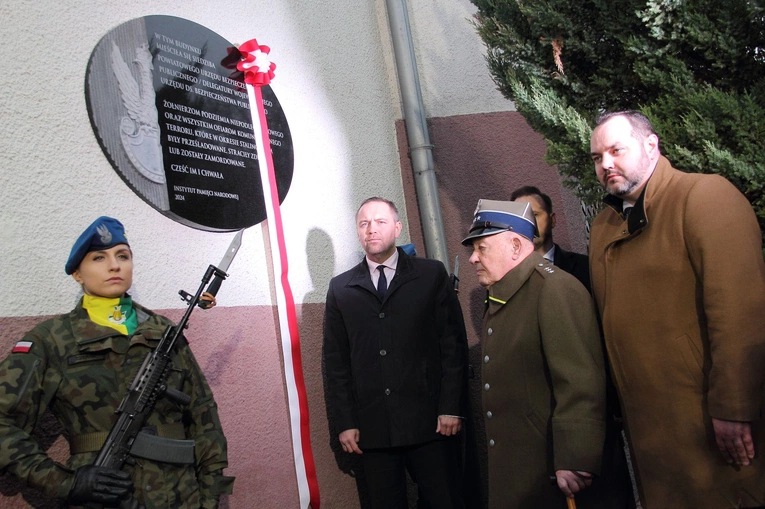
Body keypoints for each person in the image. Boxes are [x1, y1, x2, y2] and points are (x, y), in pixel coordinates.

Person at [588, 110, 765, 508]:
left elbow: (740, 314)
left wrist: (734, 408)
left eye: (616, 150)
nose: (606, 164)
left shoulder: (704, 196)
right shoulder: (603, 226)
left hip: (708, 424)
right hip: (651, 431)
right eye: (598, 157)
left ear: (651, 145)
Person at [0, 216, 234, 508]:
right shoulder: (52, 340)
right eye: (99, 258)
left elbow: (204, 418)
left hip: (180, 496)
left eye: (122, 256)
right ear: (77, 274)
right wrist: (65, 483)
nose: (114, 266)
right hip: (105, 498)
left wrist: (210, 499)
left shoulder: (164, 333)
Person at [323, 197, 468, 509]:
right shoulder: (341, 289)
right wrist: (344, 422)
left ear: (398, 228)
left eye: (380, 222)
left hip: (432, 424)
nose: (371, 230)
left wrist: (451, 407)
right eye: (364, 224)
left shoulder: (430, 275)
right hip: (372, 432)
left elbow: (452, 346)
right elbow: (335, 364)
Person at [462, 199, 606, 509]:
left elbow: (580, 381)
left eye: (482, 248)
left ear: (515, 245)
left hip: (551, 474)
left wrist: (576, 457)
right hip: (520, 470)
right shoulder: (503, 295)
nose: (473, 258)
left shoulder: (553, 290)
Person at [509, 186, 591, 292]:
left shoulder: (585, 266)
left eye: (534, 215)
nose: (528, 223)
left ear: (552, 220)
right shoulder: (504, 275)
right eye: (520, 218)